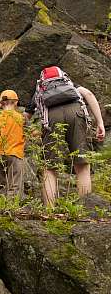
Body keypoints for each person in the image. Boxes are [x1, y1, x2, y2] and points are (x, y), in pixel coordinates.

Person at [24, 66, 106, 206]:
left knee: (50, 168)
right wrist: (100, 123)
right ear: (62, 76)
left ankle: (49, 210)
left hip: (51, 118)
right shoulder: (70, 84)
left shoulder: (41, 90)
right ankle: (84, 209)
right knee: (82, 164)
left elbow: (26, 116)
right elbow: (89, 95)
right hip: (76, 113)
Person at [0, 90, 25, 199]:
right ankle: (11, 209)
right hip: (15, 153)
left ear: (0, 104)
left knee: (1, 183)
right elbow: (29, 133)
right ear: (16, 102)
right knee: (15, 184)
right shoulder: (20, 117)